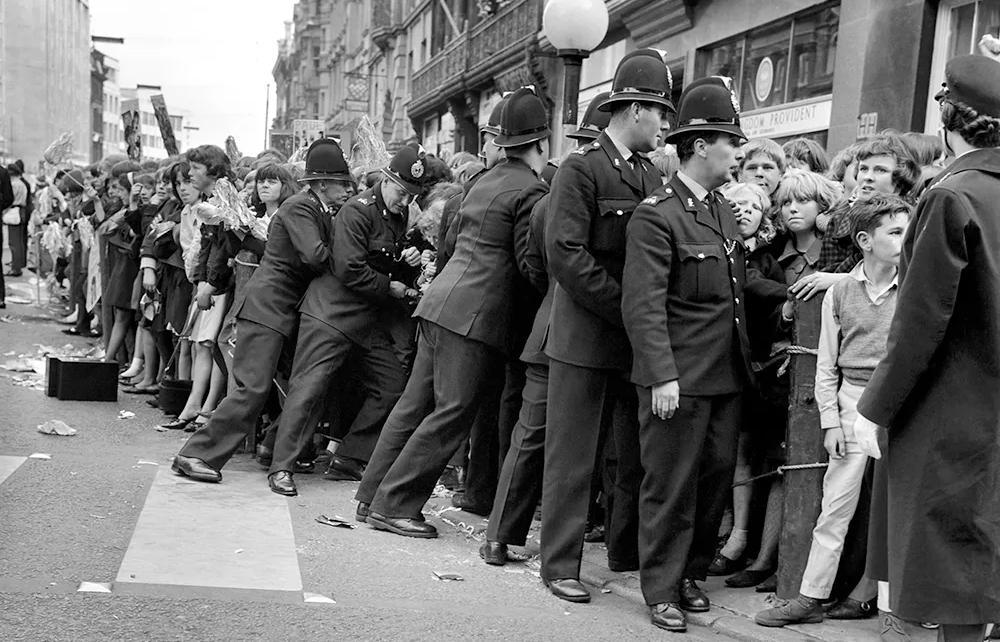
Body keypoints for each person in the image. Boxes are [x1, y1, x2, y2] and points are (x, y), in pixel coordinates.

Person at [356, 87, 549, 537]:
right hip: (476, 317)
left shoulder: (481, 181)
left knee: (414, 405)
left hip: (439, 303)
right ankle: (395, 505)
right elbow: (527, 264)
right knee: (452, 412)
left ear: (502, 141)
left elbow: (453, 239)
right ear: (540, 144)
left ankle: (372, 495)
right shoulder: (532, 190)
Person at [854, 54, 1000, 642]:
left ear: (948, 119)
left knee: (952, 575)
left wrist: (875, 407)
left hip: (950, 415)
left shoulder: (951, 197)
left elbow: (920, 322)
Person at [622, 75, 753, 633]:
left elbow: (734, 291)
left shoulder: (722, 210)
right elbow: (644, 306)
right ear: (700, 145)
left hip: (724, 375)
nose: (738, 153)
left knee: (713, 480)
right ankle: (660, 587)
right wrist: (661, 377)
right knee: (670, 485)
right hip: (679, 378)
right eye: (731, 142)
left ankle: (690, 572)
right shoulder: (657, 214)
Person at [540, 50, 670, 603]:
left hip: (629, 340)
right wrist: (626, 307)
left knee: (629, 457)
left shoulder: (645, 173)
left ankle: (624, 554)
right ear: (634, 108)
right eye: (660, 114)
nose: (665, 127)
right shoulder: (583, 169)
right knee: (573, 458)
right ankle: (560, 565)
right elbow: (565, 255)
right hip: (586, 336)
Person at [754, 194, 910, 628]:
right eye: (895, 232)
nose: (906, 239)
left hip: (901, 405)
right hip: (851, 404)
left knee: (899, 511)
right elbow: (826, 366)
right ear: (864, 240)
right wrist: (829, 422)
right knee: (835, 507)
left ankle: (894, 609)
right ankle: (810, 598)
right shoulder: (839, 292)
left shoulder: (915, 287)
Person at [480, 91, 614, 566]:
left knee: (530, 436)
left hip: (547, 328)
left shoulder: (551, 193)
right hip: (574, 330)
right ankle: (509, 538)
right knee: (564, 443)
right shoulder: (584, 188)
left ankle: (498, 536)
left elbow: (536, 267)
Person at [172, 138, 353, 484]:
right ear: (323, 183)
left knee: (289, 389)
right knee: (252, 388)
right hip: (267, 309)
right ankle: (195, 454)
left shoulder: (315, 209)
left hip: (280, 312)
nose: (347, 190)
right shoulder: (302, 207)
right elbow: (315, 257)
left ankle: (272, 448)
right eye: (342, 183)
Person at [265, 144, 418, 496]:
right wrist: (391, 286)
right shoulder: (357, 209)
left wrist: (406, 261)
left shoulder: (399, 214)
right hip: (330, 315)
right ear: (388, 179)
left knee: (392, 385)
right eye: (402, 191)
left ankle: (350, 457)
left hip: (366, 320)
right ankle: (281, 467)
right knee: (308, 390)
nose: (405, 201)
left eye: (413, 195)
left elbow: (383, 260)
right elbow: (349, 268)